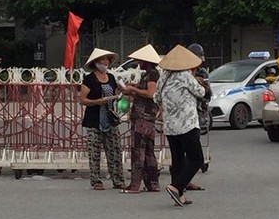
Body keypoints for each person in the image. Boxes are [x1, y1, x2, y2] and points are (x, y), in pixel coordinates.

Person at [154, 45, 206, 207]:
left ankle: (179, 196)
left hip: (170, 125)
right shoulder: (185, 75)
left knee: (178, 160)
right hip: (187, 124)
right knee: (197, 159)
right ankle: (176, 186)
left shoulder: (164, 76)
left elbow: (156, 97)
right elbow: (201, 92)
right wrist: (197, 80)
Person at [79, 48, 125, 190]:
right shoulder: (89, 79)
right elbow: (83, 99)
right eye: (102, 60)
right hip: (94, 119)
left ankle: (117, 179)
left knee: (115, 150)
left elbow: (117, 91)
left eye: (107, 60)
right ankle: (96, 180)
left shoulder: (111, 77)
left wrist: (119, 96)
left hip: (109, 118)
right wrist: (97, 101)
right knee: (94, 152)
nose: (105, 62)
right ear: (96, 63)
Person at [119, 44, 161, 193]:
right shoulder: (149, 74)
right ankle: (153, 184)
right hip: (146, 117)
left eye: (140, 60)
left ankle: (135, 185)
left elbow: (150, 93)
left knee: (138, 150)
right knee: (148, 151)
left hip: (143, 117)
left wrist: (133, 89)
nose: (138, 63)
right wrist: (135, 88)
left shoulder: (152, 74)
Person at [186, 43, 211, 191]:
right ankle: (180, 181)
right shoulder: (181, 72)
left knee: (193, 150)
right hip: (181, 115)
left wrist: (205, 87)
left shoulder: (202, 73)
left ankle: (185, 180)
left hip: (196, 112)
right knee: (183, 149)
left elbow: (207, 95)